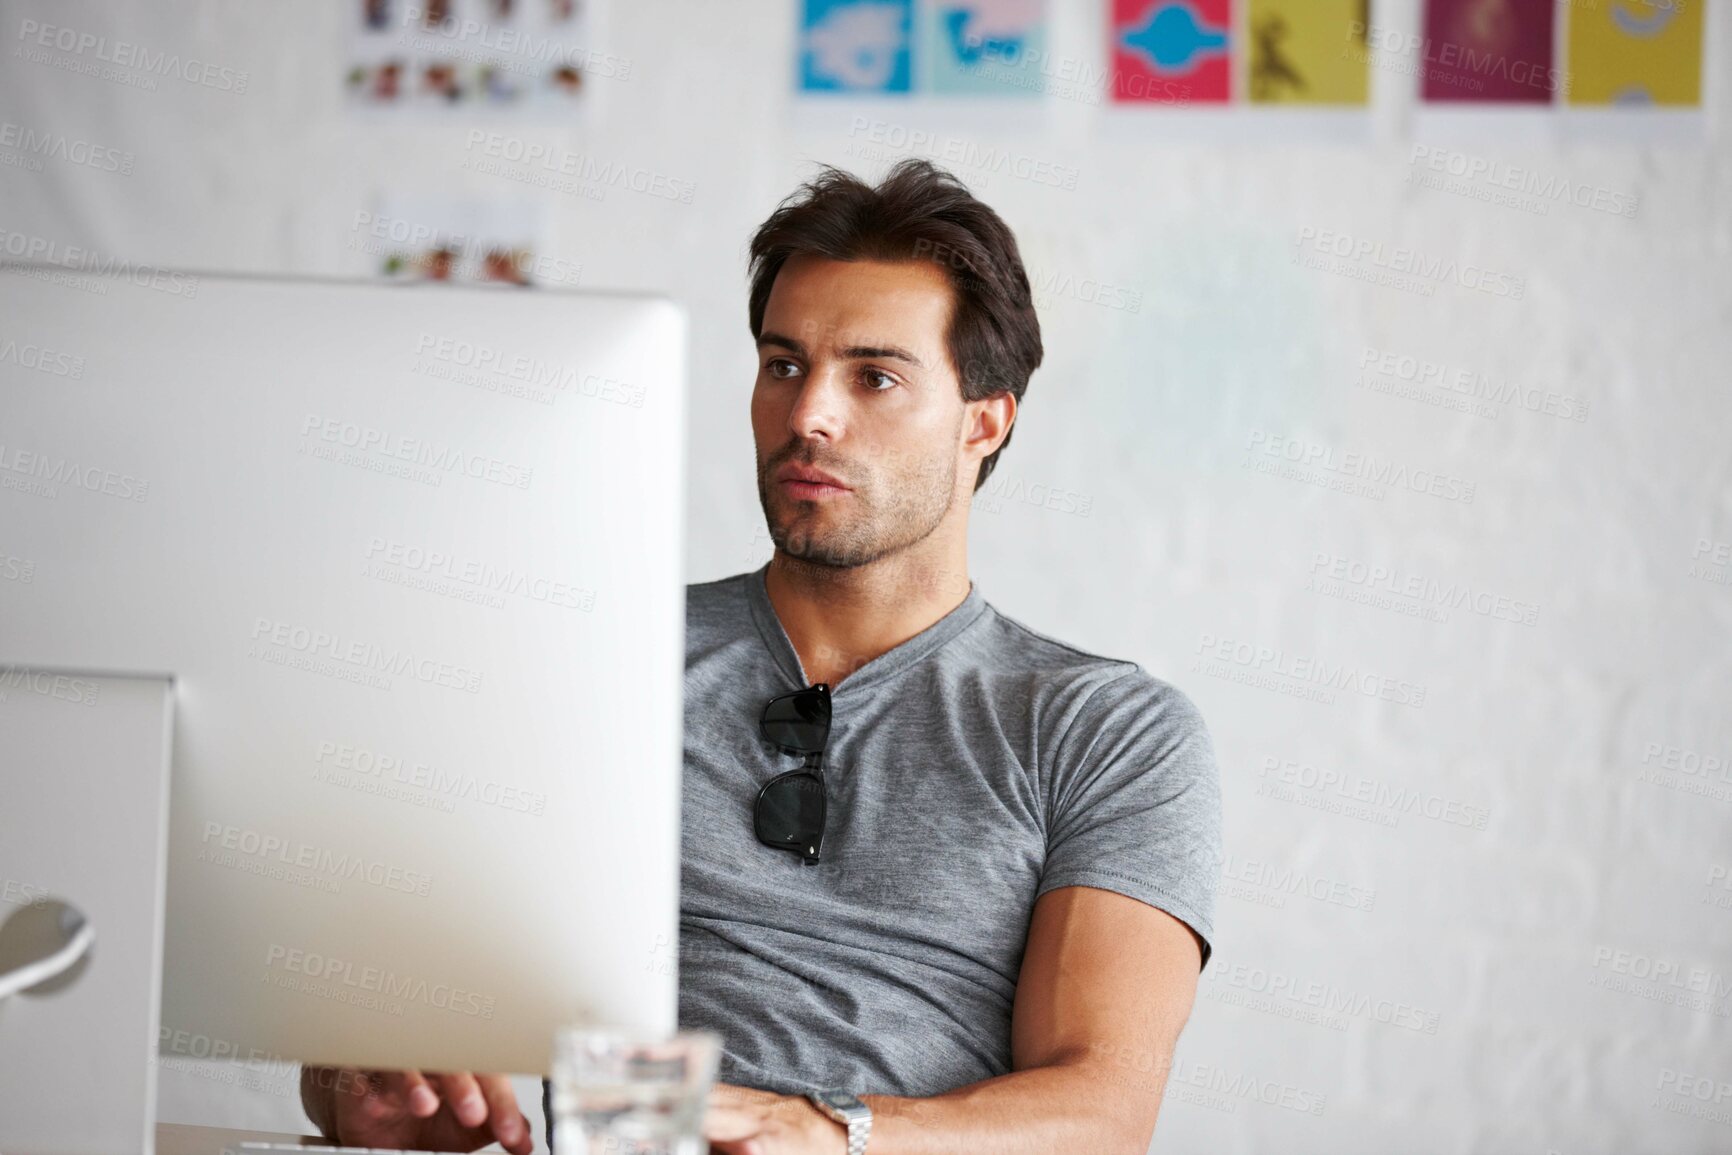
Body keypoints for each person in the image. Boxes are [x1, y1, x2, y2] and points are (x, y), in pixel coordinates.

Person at [301, 158, 1223, 1154]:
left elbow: (1101, 1113)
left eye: (873, 376)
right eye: (784, 365)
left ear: (984, 421)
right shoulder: (596, 659)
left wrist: (825, 1133)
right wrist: (370, 1086)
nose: (808, 415)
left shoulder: (1100, 727)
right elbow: (394, 1018)